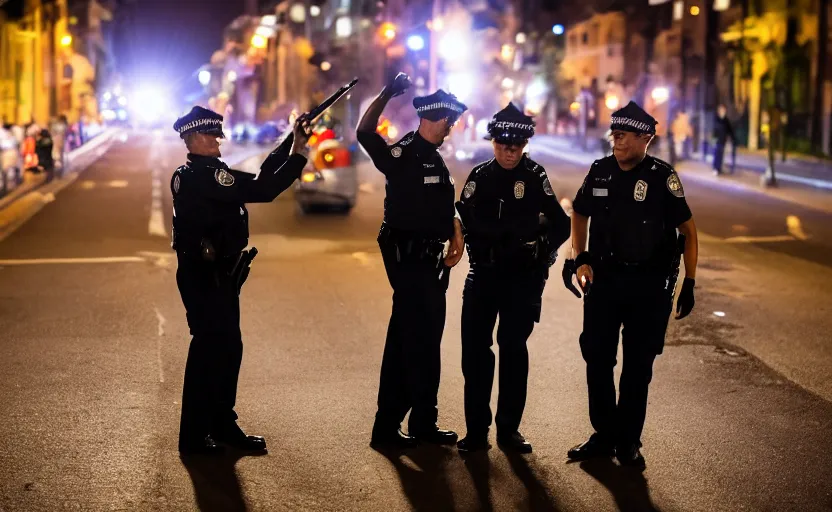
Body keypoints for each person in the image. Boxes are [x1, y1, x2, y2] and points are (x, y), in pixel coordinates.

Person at [563, 101, 698, 469]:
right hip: (605, 282)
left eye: (623, 135)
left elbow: (687, 229)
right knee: (597, 358)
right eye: (614, 134)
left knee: (638, 367)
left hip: (648, 287)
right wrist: (580, 256)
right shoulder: (601, 171)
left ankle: (628, 441)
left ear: (646, 138)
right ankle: (604, 434)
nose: (616, 140)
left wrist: (690, 281)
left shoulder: (661, 176)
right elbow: (579, 210)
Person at [171, 106, 311, 455]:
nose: (219, 140)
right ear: (194, 138)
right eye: (213, 135)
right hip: (207, 277)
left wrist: (291, 141)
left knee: (227, 349)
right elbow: (264, 188)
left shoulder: (203, 172)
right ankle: (195, 437)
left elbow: (257, 176)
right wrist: (299, 154)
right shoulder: (203, 176)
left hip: (218, 274)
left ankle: (221, 423)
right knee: (209, 352)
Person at [356, 73, 466, 449]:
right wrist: (386, 92)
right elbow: (365, 134)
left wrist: (455, 224)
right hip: (411, 263)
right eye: (446, 120)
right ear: (428, 118)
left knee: (420, 341)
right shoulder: (404, 154)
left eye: (452, 121)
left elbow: (437, 204)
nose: (450, 127)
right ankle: (397, 425)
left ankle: (414, 422)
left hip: (431, 264)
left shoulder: (435, 159)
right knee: (412, 343)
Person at [454, 103, 570, 454]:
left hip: (521, 280)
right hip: (484, 276)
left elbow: (562, 224)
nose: (510, 151)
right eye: (504, 144)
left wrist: (543, 254)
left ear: (525, 145)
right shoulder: (480, 176)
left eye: (517, 146)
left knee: (513, 351)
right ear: (493, 143)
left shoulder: (535, 176)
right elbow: (461, 217)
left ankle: (508, 430)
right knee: (475, 354)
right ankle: (476, 431)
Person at [713, 104, 734, 174]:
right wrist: (713, 139)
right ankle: (715, 168)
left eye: (723, 110)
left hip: (723, 140)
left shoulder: (726, 120)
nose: (722, 111)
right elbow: (715, 130)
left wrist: (732, 138)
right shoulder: (716, 119)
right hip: (717, 140)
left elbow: (729, 130)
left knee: (721, 155)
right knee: (717, 154)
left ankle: (718, 168)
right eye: (721, 110)